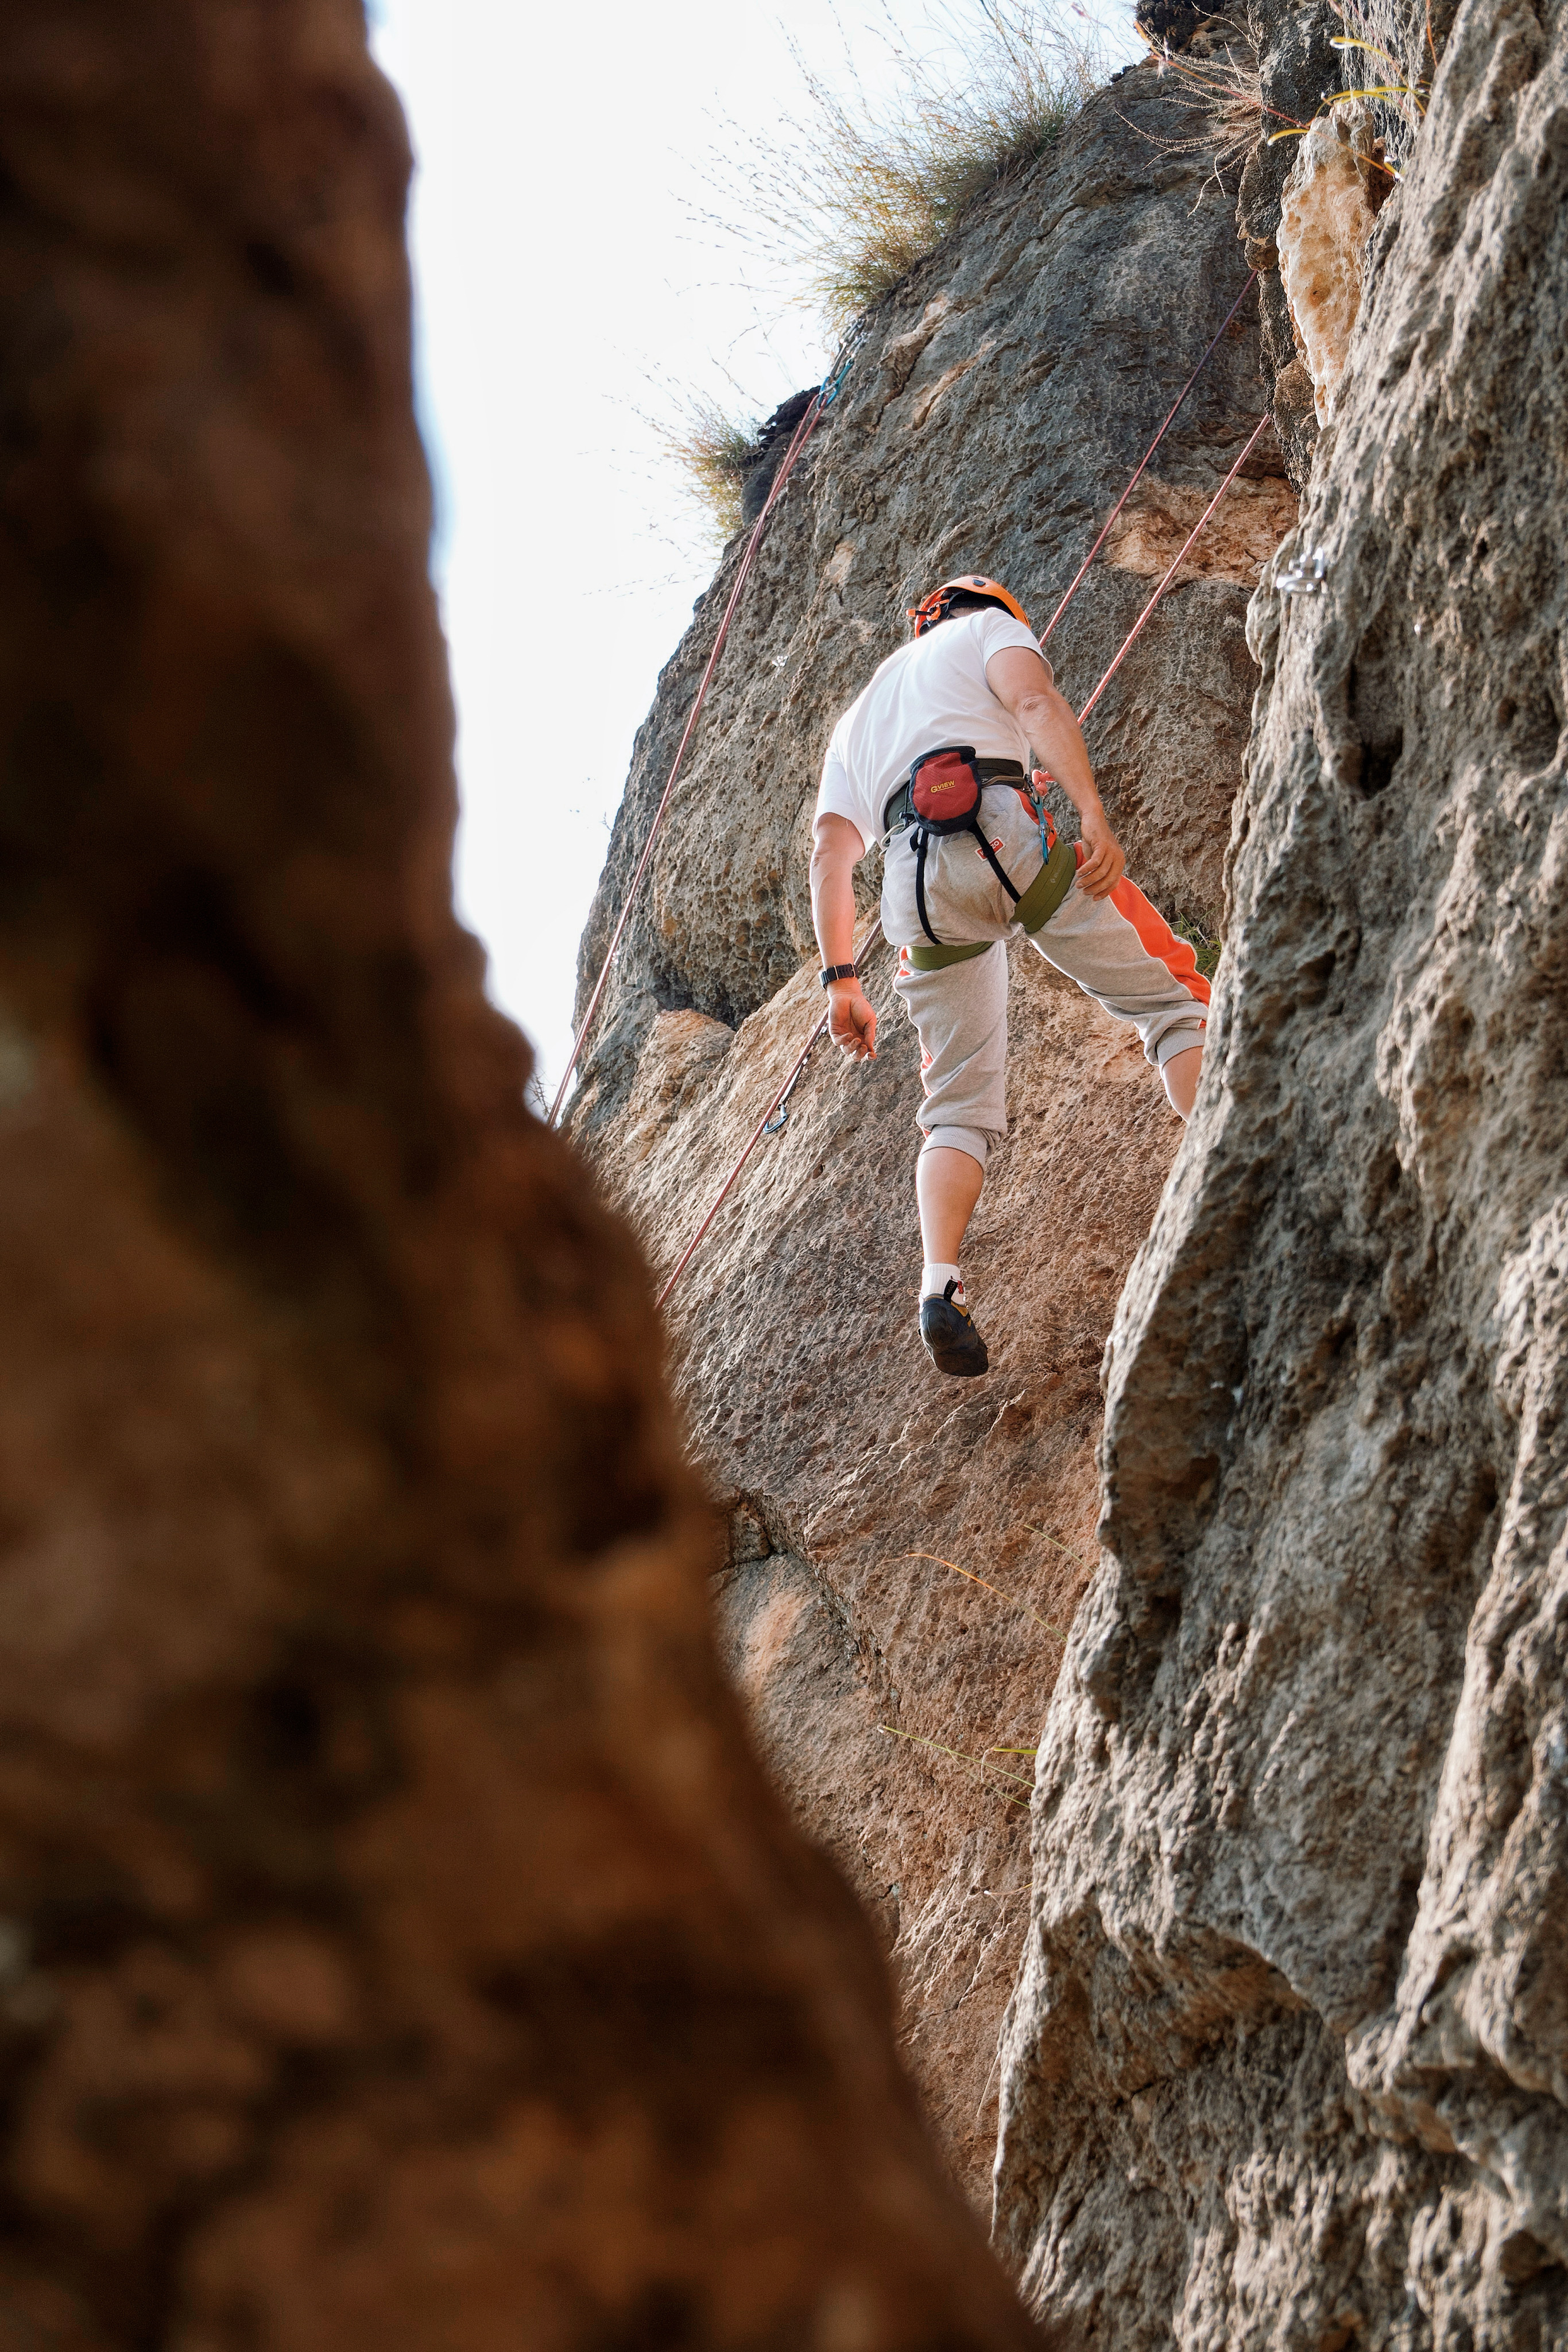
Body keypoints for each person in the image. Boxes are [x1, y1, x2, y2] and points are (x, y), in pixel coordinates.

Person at [810, 574, 1210, 1378]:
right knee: (1172, 1005)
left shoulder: (856, 721)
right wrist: (1093, 814)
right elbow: (1034, 703)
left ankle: (940, 1284)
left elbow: (830, 853)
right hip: (998, 829)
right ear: (993, 610)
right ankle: (1229, 1148)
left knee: (956, 1106)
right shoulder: (989, 629)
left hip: (911, 888)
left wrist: (841, 980)